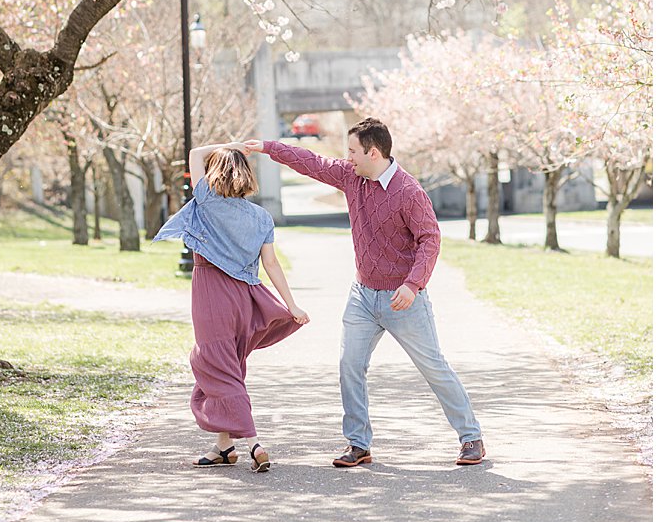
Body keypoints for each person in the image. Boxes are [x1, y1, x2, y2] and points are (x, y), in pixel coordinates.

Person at [245, 118, 486, 467]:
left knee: (433, 367)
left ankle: (471, 438)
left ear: (374, 152)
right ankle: (358, 444)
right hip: (363, 296)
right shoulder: (350, 177)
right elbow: (311, 162)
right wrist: (269, 147)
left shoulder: (409, 192)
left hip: (403, 299)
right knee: (350, 366)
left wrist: (413, 284)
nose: (348, 157)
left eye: (354, 151)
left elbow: (429, 240)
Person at [152, 143, 308, 471]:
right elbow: (272, 264)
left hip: (212, 295)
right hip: (243, 299)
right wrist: (291, 304)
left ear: (214, 174)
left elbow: (195, 154)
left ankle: (254, 442)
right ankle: (224, 448)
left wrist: (230, 146)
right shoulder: (262, 216)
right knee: (228, 367)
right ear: (245, 174)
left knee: (211, 362)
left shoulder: (207, 200)